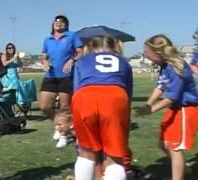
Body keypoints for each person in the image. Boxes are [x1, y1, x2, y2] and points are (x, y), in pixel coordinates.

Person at [134, 34, 198, 180]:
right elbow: (160, 87)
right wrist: (148, 104)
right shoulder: (164, 66)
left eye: (147, 53)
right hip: (175, 108)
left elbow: (172, 97)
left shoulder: (176, 66)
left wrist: (151, 110)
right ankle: (183, 168)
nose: (145, 56)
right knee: (163, 143)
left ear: (157, 53)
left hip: (186, 109)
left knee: (175, 148)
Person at [72, 35, 133, 180]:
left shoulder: (82, 61)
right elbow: (128, 94)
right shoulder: (124, 62)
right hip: (115, 97)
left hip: (85, 96)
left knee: (86, 153)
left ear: (90, 47)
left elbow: (76, 88)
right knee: (115, 156)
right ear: (115, 46)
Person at [39, 15, 83, 148]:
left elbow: (80, 52)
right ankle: (60, 126)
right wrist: (45, 61)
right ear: (52, 24)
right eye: (56, 21)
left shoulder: (72, 36)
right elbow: (43, 55)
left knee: (64, 108)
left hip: (67, 76)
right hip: (50, 76)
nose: (59, 23)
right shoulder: (48, 39)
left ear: (66, 25)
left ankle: (63, 135)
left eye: (62, 21)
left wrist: (71, 60)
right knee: (44, 106)